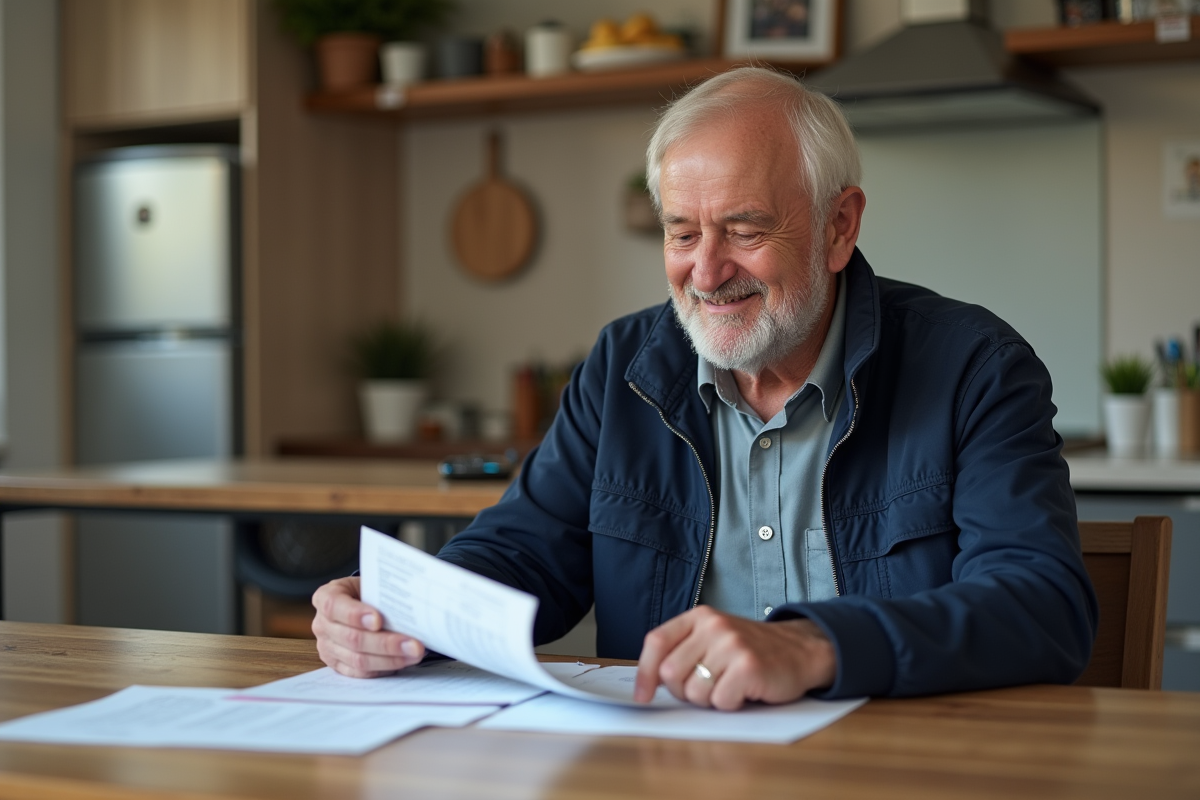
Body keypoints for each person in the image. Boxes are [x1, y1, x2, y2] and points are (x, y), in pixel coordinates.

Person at [312, 67, 1098, 711]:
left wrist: (813, 644)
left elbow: (1041, 605)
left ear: (838, 227)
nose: (707, 270)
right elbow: (527, 550)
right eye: (682, 232)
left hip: (901, 770)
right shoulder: (625, 363)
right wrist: (404, 609)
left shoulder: (975, 366)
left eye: (746, 231)